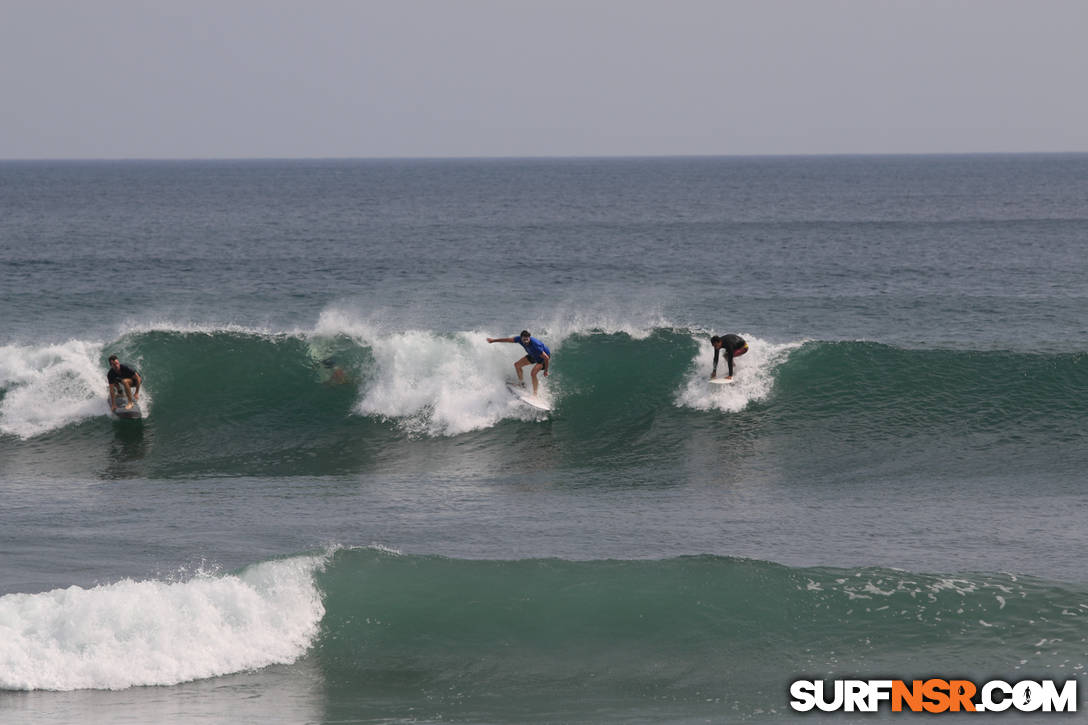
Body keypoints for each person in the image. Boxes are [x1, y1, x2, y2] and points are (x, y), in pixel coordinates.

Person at [487, 330, 551, 396]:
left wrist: (546, 371)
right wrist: (493, 340)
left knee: (533, 373)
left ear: (529, 338)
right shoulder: (519, 339)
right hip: (533, 355)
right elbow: (507, 340)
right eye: (524, 340)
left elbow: (546, 358)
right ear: (521, 338)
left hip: (543, 358)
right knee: (517, 365)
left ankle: (535, 394)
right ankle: (522, 384)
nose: (525, 341)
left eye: (527, 339)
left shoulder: (536, 346)